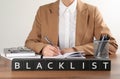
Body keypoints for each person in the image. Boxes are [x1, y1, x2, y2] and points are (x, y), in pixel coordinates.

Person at [25, 0, 118, 57]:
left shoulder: (92, 11)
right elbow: (30, 42)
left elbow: (111, 46)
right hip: (51, 69)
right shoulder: (43, 11)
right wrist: (43, 48)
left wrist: (76, 50)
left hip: (82, 69)